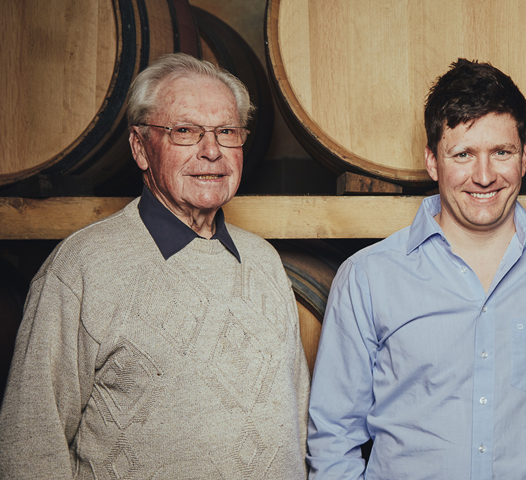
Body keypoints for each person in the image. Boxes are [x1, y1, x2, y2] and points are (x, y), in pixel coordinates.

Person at [0, 53, 309, 478]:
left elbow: (297, 420)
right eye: (185, 131)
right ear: (140, 148)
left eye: (226, 132)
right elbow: (31, 441)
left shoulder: (264, 261)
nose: (211, 151)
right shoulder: (83, 266)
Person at [305, 58, 526, 479]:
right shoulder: (368, 277)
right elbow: (333, 438)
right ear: (433, 161)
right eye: (463, 154)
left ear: (524, 158)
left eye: (502, 152)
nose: (484, 176)